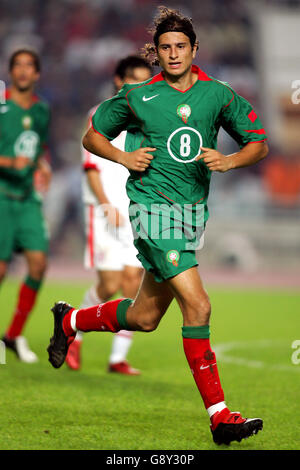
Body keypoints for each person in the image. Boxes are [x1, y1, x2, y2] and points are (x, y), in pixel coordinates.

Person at [47, 6, 268, 445]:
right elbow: (91, 136)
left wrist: (229, 159)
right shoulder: (138, 96)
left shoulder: (219, 95)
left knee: (145, 317)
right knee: (199, 307)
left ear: (194, 49)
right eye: (165, 47)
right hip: (151, 212)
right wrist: (124, 157)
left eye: (180, 46)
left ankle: (70, 320)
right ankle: (220, 416)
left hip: (189, 217)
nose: (173, 54)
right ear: (157, 52)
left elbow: (258, 144)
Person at [65, 56, 152, 374]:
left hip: (135, 210)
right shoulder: (99, 115)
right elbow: (90, 168)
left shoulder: (147, 119)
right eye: (134, 81)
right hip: (103, 212)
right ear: (119, 81)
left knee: (133, 281)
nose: (141, 88)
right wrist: (105, 205)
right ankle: (72, 331)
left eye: (146, 81)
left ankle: (117, 358)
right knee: (109, 283)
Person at [0, 48, 51, 363]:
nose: (22, 71)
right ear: (10, 72)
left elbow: (38, 147)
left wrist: (43, 165)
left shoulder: (42, 110)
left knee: (39, 263)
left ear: (36, 74)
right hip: (2, 195)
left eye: (28, 66)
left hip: (28, 198)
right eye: (16, 65)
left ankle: (13, 336)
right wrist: (8, 161)